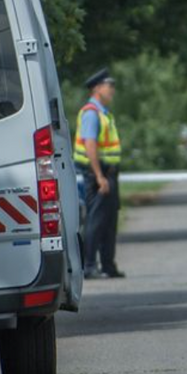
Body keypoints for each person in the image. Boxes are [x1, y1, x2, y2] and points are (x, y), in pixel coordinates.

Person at [74, 68, 124, 279]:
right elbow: (90, 145)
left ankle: (107, 265)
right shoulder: (91, 113)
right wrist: (99, 176)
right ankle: (89, 265)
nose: (112, 90)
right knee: (95, 220)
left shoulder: (103, 113)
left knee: (109, 220)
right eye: (108, 86)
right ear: (97, 88)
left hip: (109, 173)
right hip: (97, 174)